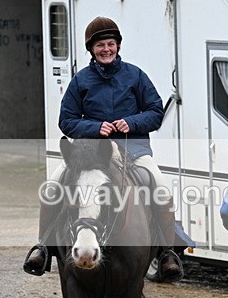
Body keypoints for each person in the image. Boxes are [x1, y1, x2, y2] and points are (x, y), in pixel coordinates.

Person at [23, 16, 183, 281]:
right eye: (100, 46)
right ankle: (43, 247)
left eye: (110, 44)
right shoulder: (81, 81)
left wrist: (130, 123)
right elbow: (66, 121)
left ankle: (167, 253)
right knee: (52, 187)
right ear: (92, 49)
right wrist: (96, 128)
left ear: (118, 46)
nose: (106, 49)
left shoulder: (135, 75)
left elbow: (155, 112)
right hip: (88, 152)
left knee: (161, 190)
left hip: (133, 149)